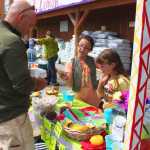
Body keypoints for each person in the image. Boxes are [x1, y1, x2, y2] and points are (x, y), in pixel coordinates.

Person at [0, 0, 47, 149]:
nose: (29, 30)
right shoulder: (12, 41)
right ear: (21, 17)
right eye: (29, 25)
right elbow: (23, 84)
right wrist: (40, 83)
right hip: (12, 118)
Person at [59, 35, 99, 107]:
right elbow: (70, 84)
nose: (82, 49)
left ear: (90, 50)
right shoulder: (71, 63)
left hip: (93, 99)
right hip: (79, 100)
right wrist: (66, 78)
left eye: (86, 48)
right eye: (81, 45)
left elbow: (104, 69)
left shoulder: (93, 60)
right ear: (77, 46)